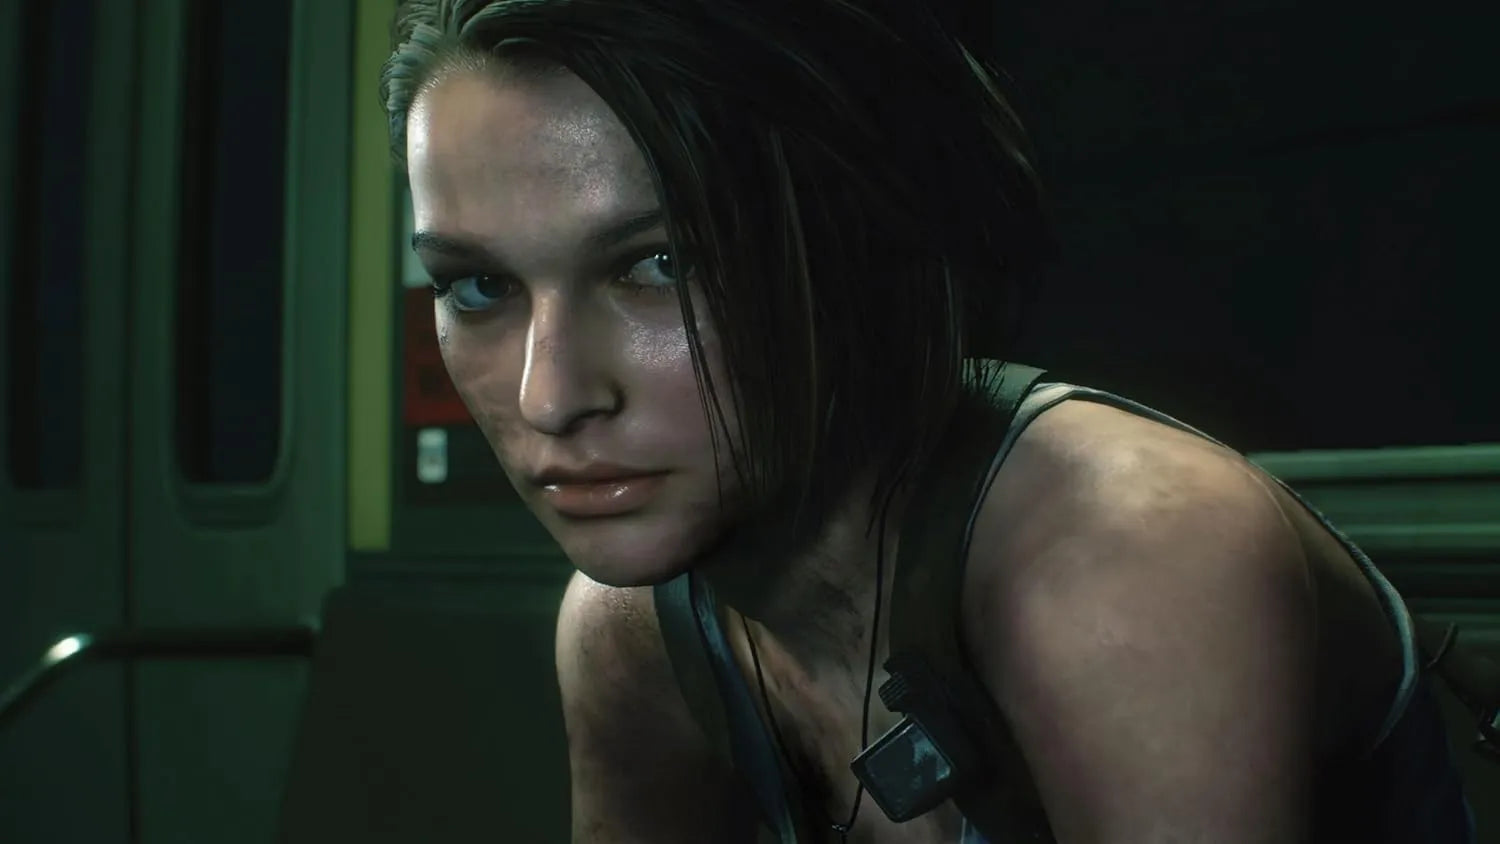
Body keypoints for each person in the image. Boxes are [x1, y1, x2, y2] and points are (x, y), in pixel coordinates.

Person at [379, 1, 1476, 841]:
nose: (550, 396)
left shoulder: (1132, 554)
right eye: (479, 287)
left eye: (660, 265)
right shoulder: (631, 635)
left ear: (853, 245)